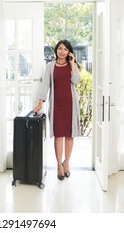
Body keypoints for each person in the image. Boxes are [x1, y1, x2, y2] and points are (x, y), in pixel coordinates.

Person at [33, 40, 81, 180]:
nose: (62, 51)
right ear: (56, 50)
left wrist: (72, 64)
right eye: (60, 48)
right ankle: (59, 166)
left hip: (71, 105)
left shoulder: (73, 66)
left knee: (69, 135)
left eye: (65, 49)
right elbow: (45, 86)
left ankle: (67, 163)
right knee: (59, 136)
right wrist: (40, 103)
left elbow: (76, 81)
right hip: (57, 106)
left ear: (69, 52)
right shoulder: (50, 66)